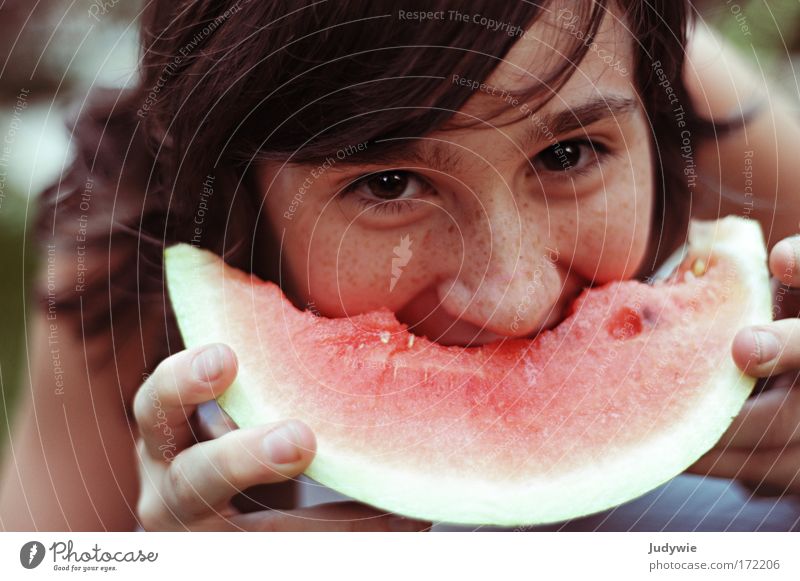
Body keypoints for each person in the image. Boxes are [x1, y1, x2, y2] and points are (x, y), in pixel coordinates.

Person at [2, 0, 799, 532]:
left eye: (568, 153)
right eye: (388, 184)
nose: (513, 299)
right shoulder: (127, 241)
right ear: (234, 198)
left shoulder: (614, 46)